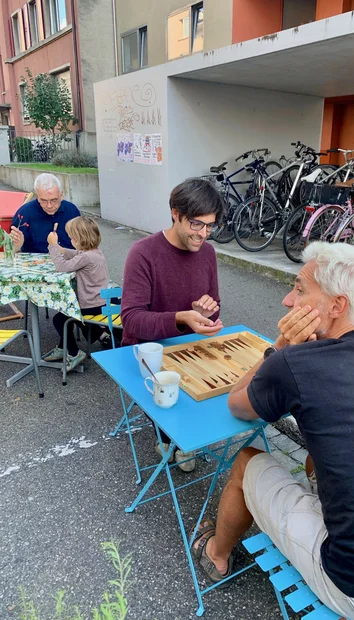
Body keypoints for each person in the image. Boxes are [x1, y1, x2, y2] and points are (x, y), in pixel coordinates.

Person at [190, 242, 354, 620]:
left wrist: (280, 347)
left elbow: (236, 403)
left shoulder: (294, 364)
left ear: (337, 305)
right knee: (327, 448)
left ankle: (216, 553)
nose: (287, 300)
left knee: (247, 461)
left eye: (300, 289)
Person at [121, 178, 225, 472]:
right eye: (196, 224)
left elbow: (213, 307)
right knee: (182, 401)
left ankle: (179, 437)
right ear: (175, 213)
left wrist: (206, 314)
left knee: (230, 388)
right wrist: (181, 317)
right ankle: (171, 439)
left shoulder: (208, 253)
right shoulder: (143, 253)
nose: (203, 234)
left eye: (210, 226)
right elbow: (131, 319)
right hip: (148, 350)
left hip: (191, 345)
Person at [45, 216, 109, 372]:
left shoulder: (86, 257)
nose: (71, 240)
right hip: (100, 301)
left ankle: (74, 353)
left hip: (91, 304)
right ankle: (100, 335)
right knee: (72, 313)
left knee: (60, 319)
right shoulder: (95, 252)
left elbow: (61, 266)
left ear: (81, 239)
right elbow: (76, 255)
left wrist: (53, 246)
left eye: (72, 237)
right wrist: (61, 249)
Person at [10, 173, 80, 254]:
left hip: (69, 261)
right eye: (43, 200)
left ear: (61, 195)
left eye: (54, 200)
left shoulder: (72, 211)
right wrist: (17, 246)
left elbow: (84, 247)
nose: (49, 206)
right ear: (37, 196)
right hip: (34, 263)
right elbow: (12, 251)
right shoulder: (24, 213)